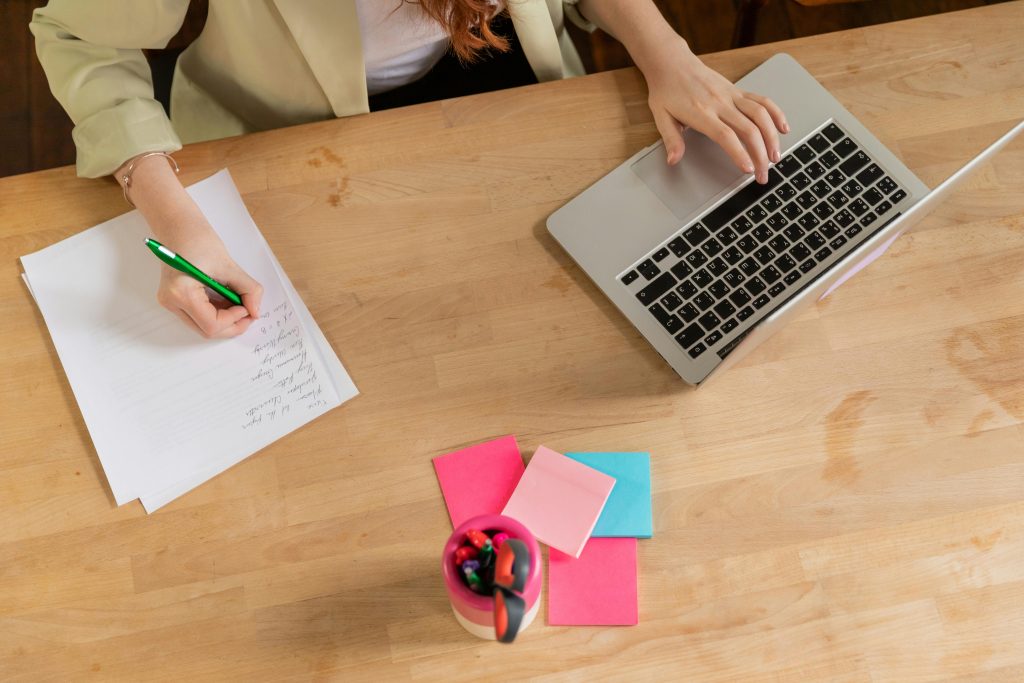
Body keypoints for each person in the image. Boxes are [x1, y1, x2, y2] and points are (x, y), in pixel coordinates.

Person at [32, 0, 788, 339]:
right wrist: (175, 216)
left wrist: (666, 55)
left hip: (513, 77)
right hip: (298, 143)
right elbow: (75, 34)